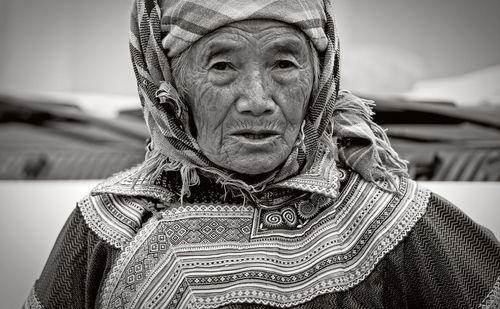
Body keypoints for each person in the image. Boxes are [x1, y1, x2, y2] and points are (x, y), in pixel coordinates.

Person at [24, 0, 500, 308]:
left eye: (284, 63)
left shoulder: (390, 220)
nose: (257, 99)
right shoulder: (106, 226)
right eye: (222, 65)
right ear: (166, 85)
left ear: (320, 78)